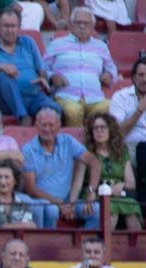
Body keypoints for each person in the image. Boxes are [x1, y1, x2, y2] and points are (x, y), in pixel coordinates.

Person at [0, 7, 61, 127]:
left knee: (55, 110)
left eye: (13, 26)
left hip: (32, 95)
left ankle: (36, 122)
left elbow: (41, 71)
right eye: (6, 26)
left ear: (19, 27)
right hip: (4, 101)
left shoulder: (29, 43)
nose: (10, 30)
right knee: (3, 75)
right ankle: (23, 117)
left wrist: (43, 79)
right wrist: (0, 67)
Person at [22, 106, 99, 229]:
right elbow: (31, 189)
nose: (47, 129)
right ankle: (49, 246)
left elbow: (94, 162)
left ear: (59, 126)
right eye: (43, 125)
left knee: (97, 209)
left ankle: (85, 245)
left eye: (51, 125)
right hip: (43, 202)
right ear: (36, 125)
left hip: (68, 201)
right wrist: (58, 203)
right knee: (51, 210)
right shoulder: (28, 149)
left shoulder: (68, 141)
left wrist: (91, 192)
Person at [45, 7, 116, 128]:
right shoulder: (57, 44)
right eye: (78, 23)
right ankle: (77, 144)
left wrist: (109, 75)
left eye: (86, 23)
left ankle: (93, 142)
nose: (82, 26)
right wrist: (52, 77)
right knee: (73, 111)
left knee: (111, 107)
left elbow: (112, 69)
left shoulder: (101, 47)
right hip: (66, 96)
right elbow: (42, 68)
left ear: (93, 26)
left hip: (94, 98)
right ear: (71, 25)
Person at [79, 113, 142, 231]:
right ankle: (105, 246)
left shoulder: (121, 152)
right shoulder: (86, 152)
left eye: (103, 127)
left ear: (110, 130)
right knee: (109, 208)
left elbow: (131, 183)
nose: (99, 131)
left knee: (132, 206)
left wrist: (121, 185)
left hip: (118, 193)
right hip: (95, 193)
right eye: (95, 128)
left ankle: (136, 247)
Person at [110, 57, 146, 210]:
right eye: (141, 75)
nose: (145, 79)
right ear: (133, 77)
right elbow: (117, 133)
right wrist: (139, 110)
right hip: (128, 146)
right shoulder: (120, 97)